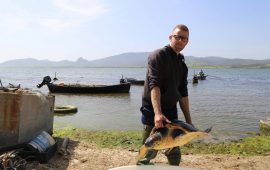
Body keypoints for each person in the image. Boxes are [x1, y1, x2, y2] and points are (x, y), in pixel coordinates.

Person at [139, 24, 193, 166]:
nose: (181, 41)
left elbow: (183, 94)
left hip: (171, 113)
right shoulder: (158, 56)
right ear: (170, 37)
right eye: (178, 37)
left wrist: (188, 122)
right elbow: (154, 85)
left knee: (174, 151)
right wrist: (158, 114)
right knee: (148, 151)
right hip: (152, 111)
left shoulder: (182, 65)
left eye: (184, 39)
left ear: (187, 42)